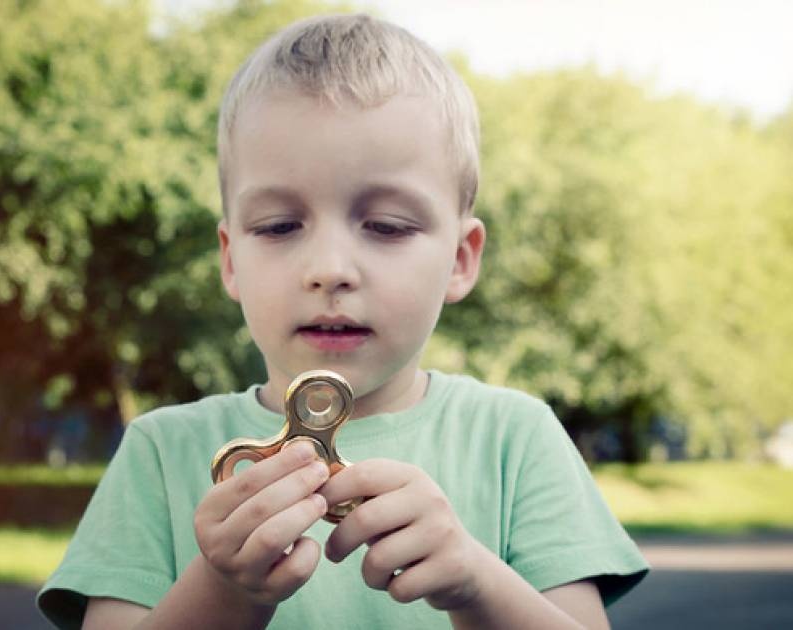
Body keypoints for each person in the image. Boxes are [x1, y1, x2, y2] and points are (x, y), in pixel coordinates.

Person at [38, 13, 648, 630]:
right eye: (279, 226)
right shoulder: (160, 455)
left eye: (386, 226)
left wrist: (473, 582)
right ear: (230, 260)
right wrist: (225, 592)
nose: (329, 270)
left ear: (461, 260)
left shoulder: (515, 440)